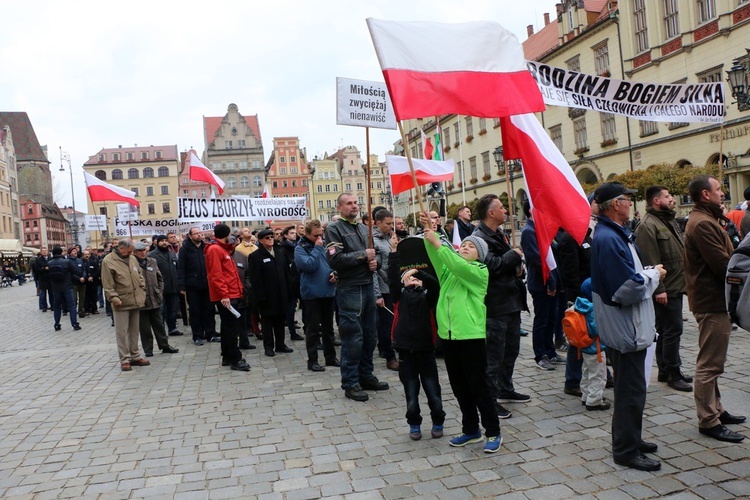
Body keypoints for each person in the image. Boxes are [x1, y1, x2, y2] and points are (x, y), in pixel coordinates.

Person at [590, 182, 664, 471]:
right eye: (625, 199)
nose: (630, 203)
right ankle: (625, 450)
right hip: (626, 327)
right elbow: (625, 289)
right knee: (630, 391)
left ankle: (631, 437)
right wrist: (654, 275)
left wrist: (645, 274)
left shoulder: (615, 233)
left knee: (630, 388)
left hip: (626, 326)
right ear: (613, 205)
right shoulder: (609, 238)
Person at [422, 212, 501, 453]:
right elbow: (438, 257)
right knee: (459, 386)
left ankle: (493, 431)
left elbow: (453, 261)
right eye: (463, 245)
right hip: (449, 336)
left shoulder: (479, 272)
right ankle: (471, 430)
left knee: (479, 385)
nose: (465, 247)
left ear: (480, 255)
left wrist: (439, 244)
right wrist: (430, 233)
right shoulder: (450, 271)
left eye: (471, 246)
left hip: (470, 337)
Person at [684, 175, 746, 443]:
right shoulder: (701, 224)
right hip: (711, 302)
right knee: (709, 365)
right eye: (718, 189)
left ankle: (717, 409)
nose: (723, 193)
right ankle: (708, 420)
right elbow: (723, 265)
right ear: (705, 195)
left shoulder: (708, 219)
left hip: (715, 300)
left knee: (714, 362)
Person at [325, 193, 388, 402]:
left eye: (355, 203)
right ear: (340, 207)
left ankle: (366, 375)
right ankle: (350, 383)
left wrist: (375, 262)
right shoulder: (334, 229)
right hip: (350, 288)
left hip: (368, 285)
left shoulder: (364, 228)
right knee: (353, 338)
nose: (354, 206)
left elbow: (377, 253)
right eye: (349, 203)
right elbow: (335, 259)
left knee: (370, 336)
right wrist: (364, 256)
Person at [472, 194, 527, 419]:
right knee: (493, 356)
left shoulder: (498, 233)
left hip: (510, 301)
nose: (506, 210)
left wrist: (517, 266)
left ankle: (506, 387)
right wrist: (514, 256)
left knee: (511, 351)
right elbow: (492, 266)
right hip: (495, 305)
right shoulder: (478, 238)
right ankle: (490, 399)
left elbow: (507, 263)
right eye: (502, 208)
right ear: (491, 213)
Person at [634, 186, 692, 392]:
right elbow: (650, 260)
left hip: (675, 284)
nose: (672, 199)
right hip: (667, 287)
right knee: (672, 330)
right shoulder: (648, 226)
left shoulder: (666, 220)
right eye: (667, 196)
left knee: (666, 329)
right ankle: (673, 373)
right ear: (656, 201)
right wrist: (659, 289)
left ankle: (666, 369)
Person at [388, 234, 445, 441]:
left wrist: (417, 271)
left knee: (433, 391)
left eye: (415, 279)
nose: (411, 279)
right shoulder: (399, 298)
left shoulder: (428, 297)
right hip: (405, 351)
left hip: (425, 350)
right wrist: (394, 252)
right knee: (411, 393)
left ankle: (438, 420)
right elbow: (392, 278)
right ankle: (414, 423)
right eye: (408, 277)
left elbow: (436, 284)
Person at [521, 201, 565, 371]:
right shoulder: (528, 232)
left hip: (551, 281)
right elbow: (538, 259)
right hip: (540, 283)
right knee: (542, 320)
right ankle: (541, 355)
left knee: (551, 318)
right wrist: (550, 281)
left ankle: (550, 351)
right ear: (531, 210)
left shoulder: (541, 229)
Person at [295, 220, 339, 372]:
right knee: (313, 329)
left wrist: (336, 274)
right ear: (307, 234)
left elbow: (335, 262)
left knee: (328, 328)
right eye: (316, 235)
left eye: (321, 234)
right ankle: (312, 360)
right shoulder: (300, 248)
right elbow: (309, 265)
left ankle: (330, 357)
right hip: (312, 293)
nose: (320, 238)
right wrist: (317, 248)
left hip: (328, 291)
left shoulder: (327, 245)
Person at [205, 224, 250, 371]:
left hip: (231, 293)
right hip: (227, 295)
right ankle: (235, 359)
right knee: (231, 328)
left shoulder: (222, 249)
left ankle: (227, 355)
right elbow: (216, 275)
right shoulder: (215, 249)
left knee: (227, 327)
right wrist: (224, 295)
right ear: (226, 234)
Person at [101, 239, 149, 372]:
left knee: (134, 331)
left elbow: (139, 274)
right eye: (128, 251)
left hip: (135, 299)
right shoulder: (108, 261)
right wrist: (113, 297)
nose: (130, 253)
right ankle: (125, 359)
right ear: (121, 248)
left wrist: (142, 288)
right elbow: (107, 283)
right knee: (122, 332)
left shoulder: (132, 258)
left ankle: (135, 355)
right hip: (121, 301)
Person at [249, 229, 294, 357]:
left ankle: (280, 345)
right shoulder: (255, 256)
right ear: (261, 240)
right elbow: (255, 279)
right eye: (267, 238)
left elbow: (286, 274)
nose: (270, 239)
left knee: (280, 321)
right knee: (267, 322)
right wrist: (260, 297)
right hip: (267, 296)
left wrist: (289, 292)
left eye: (271, 237)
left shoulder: (280, 253)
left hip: (281, 294)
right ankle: (268, 346)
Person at [133, 242, 179, 357]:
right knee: (144, 328)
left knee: (159, 324)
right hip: (141, 300)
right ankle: (148, 349)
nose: (143, 252)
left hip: (154, 298)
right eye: (140, 250)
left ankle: (164, 345)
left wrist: (159, 291)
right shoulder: (132, 264)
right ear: (134, 252)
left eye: (145, 250)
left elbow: (160, 278)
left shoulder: (152, 261)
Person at [177, 227, 218, 346]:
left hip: (207, 284)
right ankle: (197, 335)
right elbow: (181, 268)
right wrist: (181, 285)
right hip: (192, 286)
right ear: (190, 236)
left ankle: (210, 334)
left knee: (209, 310)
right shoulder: (185, 250)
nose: (199, 235)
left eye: (200, 233)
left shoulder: (207, 247)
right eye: (196, 233)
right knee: (195, 311)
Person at [372, 209, 399, 371]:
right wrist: (377, 293)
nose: (391, 226)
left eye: (392, 223)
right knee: (386, 324)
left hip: (394, 285)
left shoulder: (391, 237)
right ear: (378, 223)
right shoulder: (373, 241)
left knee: (393, 321)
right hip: (383, 286)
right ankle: (389, 356)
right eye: (388, 224)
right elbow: (374, 270)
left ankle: (386, 349)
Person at [149, 234, 181, 336]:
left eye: (165, 240)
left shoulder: (172, 254)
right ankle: (161, 331)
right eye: (161, 241)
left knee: (172, 310)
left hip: (172, 287)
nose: (164, 242)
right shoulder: (152, 255)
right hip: (160, 288)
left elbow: (177, 269)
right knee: (161, 311)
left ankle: (172, 328)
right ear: (157, 242)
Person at [47, 246, 82, 331]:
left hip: (56, 288)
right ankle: (74, 324)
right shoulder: (67, 262)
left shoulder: (49, 263)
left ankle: (57, 324)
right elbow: (77, 272)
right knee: (71, 305)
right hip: (67, 286)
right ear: (61, 252)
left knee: (57, 306)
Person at [280, 225, 303, 341]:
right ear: (285, 235)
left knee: (303, 306)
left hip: (299, 280)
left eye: (295, 233)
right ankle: (292, 331)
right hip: (289, 282)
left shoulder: (298, 246)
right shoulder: (283, 249)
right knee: (291, 308)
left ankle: (306, 328)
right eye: (291, 233)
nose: (294, 234)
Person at [68, 247, 88, 318]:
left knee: (82, 298)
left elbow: (84, 269)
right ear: (70, 253)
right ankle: (73, 312)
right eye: (73, 251)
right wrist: (78, 278)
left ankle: (81, 312)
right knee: (74, 299)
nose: (75, 252)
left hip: (82, 282)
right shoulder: (68, 261)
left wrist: (83, 277)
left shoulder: (80, 260)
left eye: (75, 251)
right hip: (74, 283)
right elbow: (70, 273)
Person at [32, 247, 52, 312]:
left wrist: (44, 267)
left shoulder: (50, 259)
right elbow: (37, 269)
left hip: (50, 279)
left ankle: (53, 306)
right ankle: (44, 306)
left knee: (51, 293)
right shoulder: (38, 260)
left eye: (45, 251)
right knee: (43, 294)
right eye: (43, 251)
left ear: (47, 251)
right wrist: (44, 268)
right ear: (41, 252)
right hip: (42, 279)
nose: (44, 252)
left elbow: (51, 267)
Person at [82, 250, 100, 315]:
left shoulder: (93, 262)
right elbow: (82, 271)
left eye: (88, 254)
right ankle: (86, 310)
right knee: (86, 297)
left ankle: (94, 309)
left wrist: (92, 277)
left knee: (94, 296)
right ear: (83, 255)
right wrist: (87, 277)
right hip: (85, 282)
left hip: (93, 281)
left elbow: (97, 271)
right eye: (85, 254)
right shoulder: (82, 262)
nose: (87, 255)